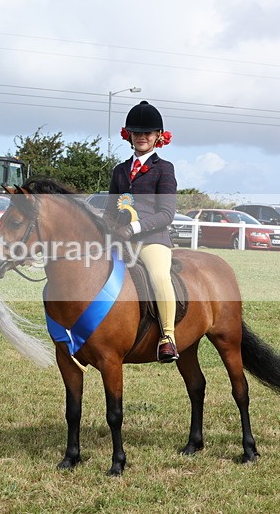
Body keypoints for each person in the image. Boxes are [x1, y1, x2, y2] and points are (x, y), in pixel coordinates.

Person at [104, 100, 179, 363]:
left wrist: (134, 227)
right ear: (129, 136)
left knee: (159, 276)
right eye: (137, 133)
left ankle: (167, 337)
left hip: (151, 241)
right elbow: (110, 210)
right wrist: (109, 228)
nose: (142, 137)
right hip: (121, 242)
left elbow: (166, 214)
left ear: (158, 136)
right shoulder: (120, 171)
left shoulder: (164, 169)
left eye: (147, 133)